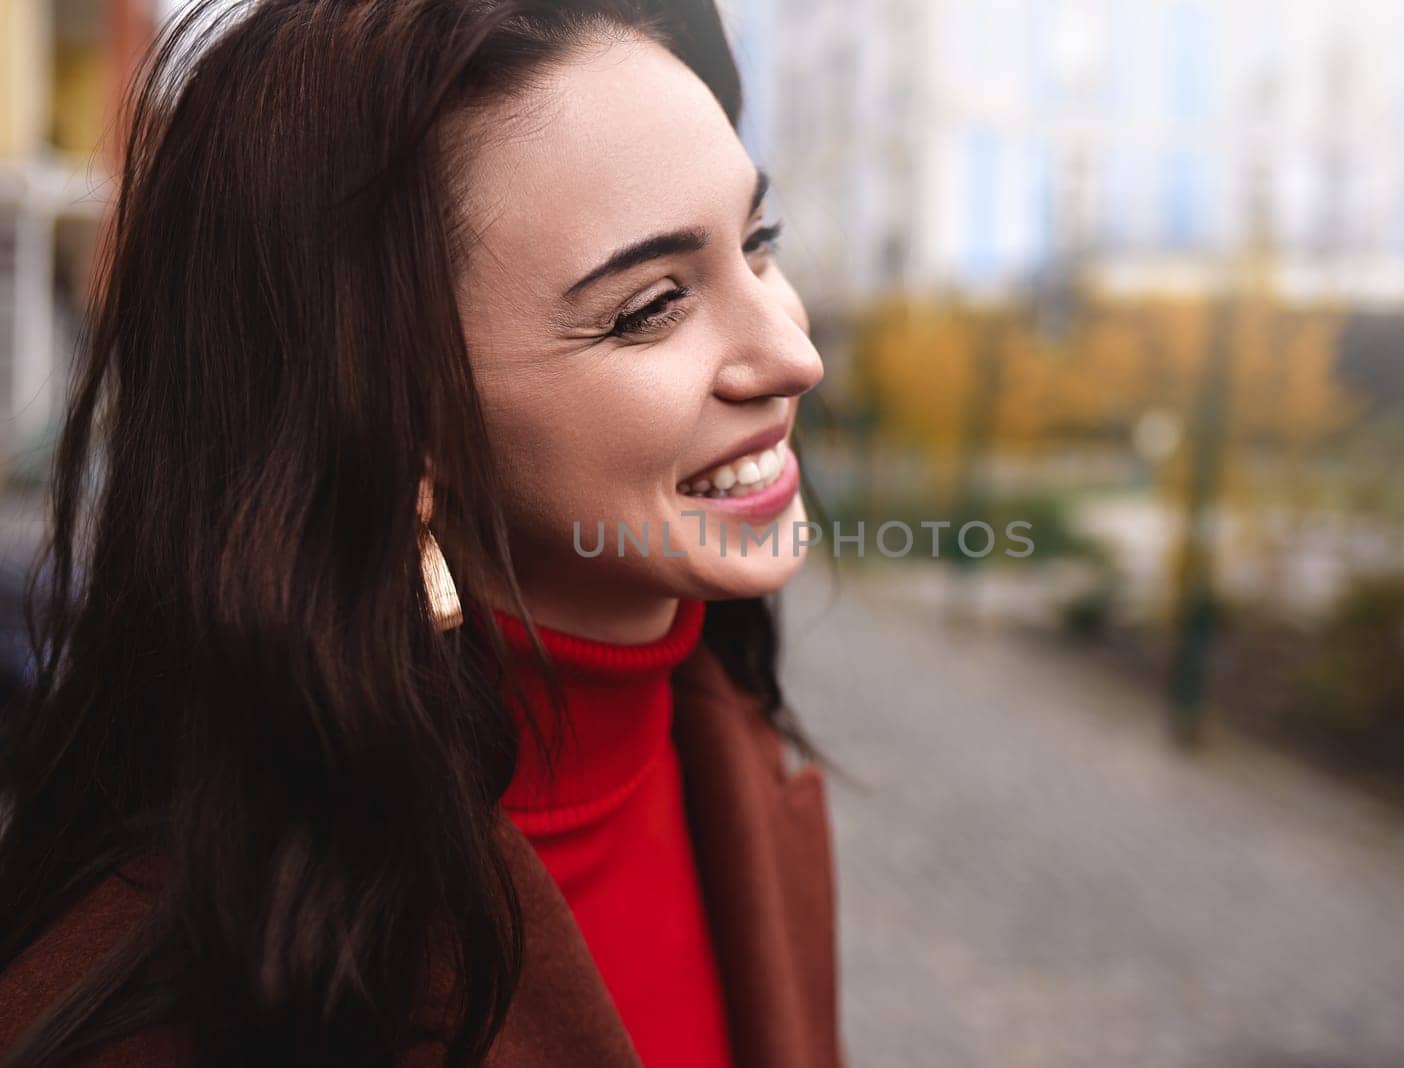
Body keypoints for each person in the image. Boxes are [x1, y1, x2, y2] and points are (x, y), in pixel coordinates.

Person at [0, 1, 842, 1065]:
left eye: (757, 243)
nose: (792, 354)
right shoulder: (194, 1010)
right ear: (397, 423)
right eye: (651, 307)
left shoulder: (739, 764)